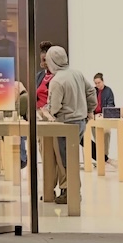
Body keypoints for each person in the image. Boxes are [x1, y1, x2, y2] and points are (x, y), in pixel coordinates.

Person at [37, 45, 93, 204]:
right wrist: (89, 110)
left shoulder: (57, 80)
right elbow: (91, 92)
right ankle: (71, 190)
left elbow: (54, 107)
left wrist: (46, 111)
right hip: (80, 122)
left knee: (64, 161)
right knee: (72, 158)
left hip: (64, 124)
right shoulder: (77, 74)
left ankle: (70, 191)